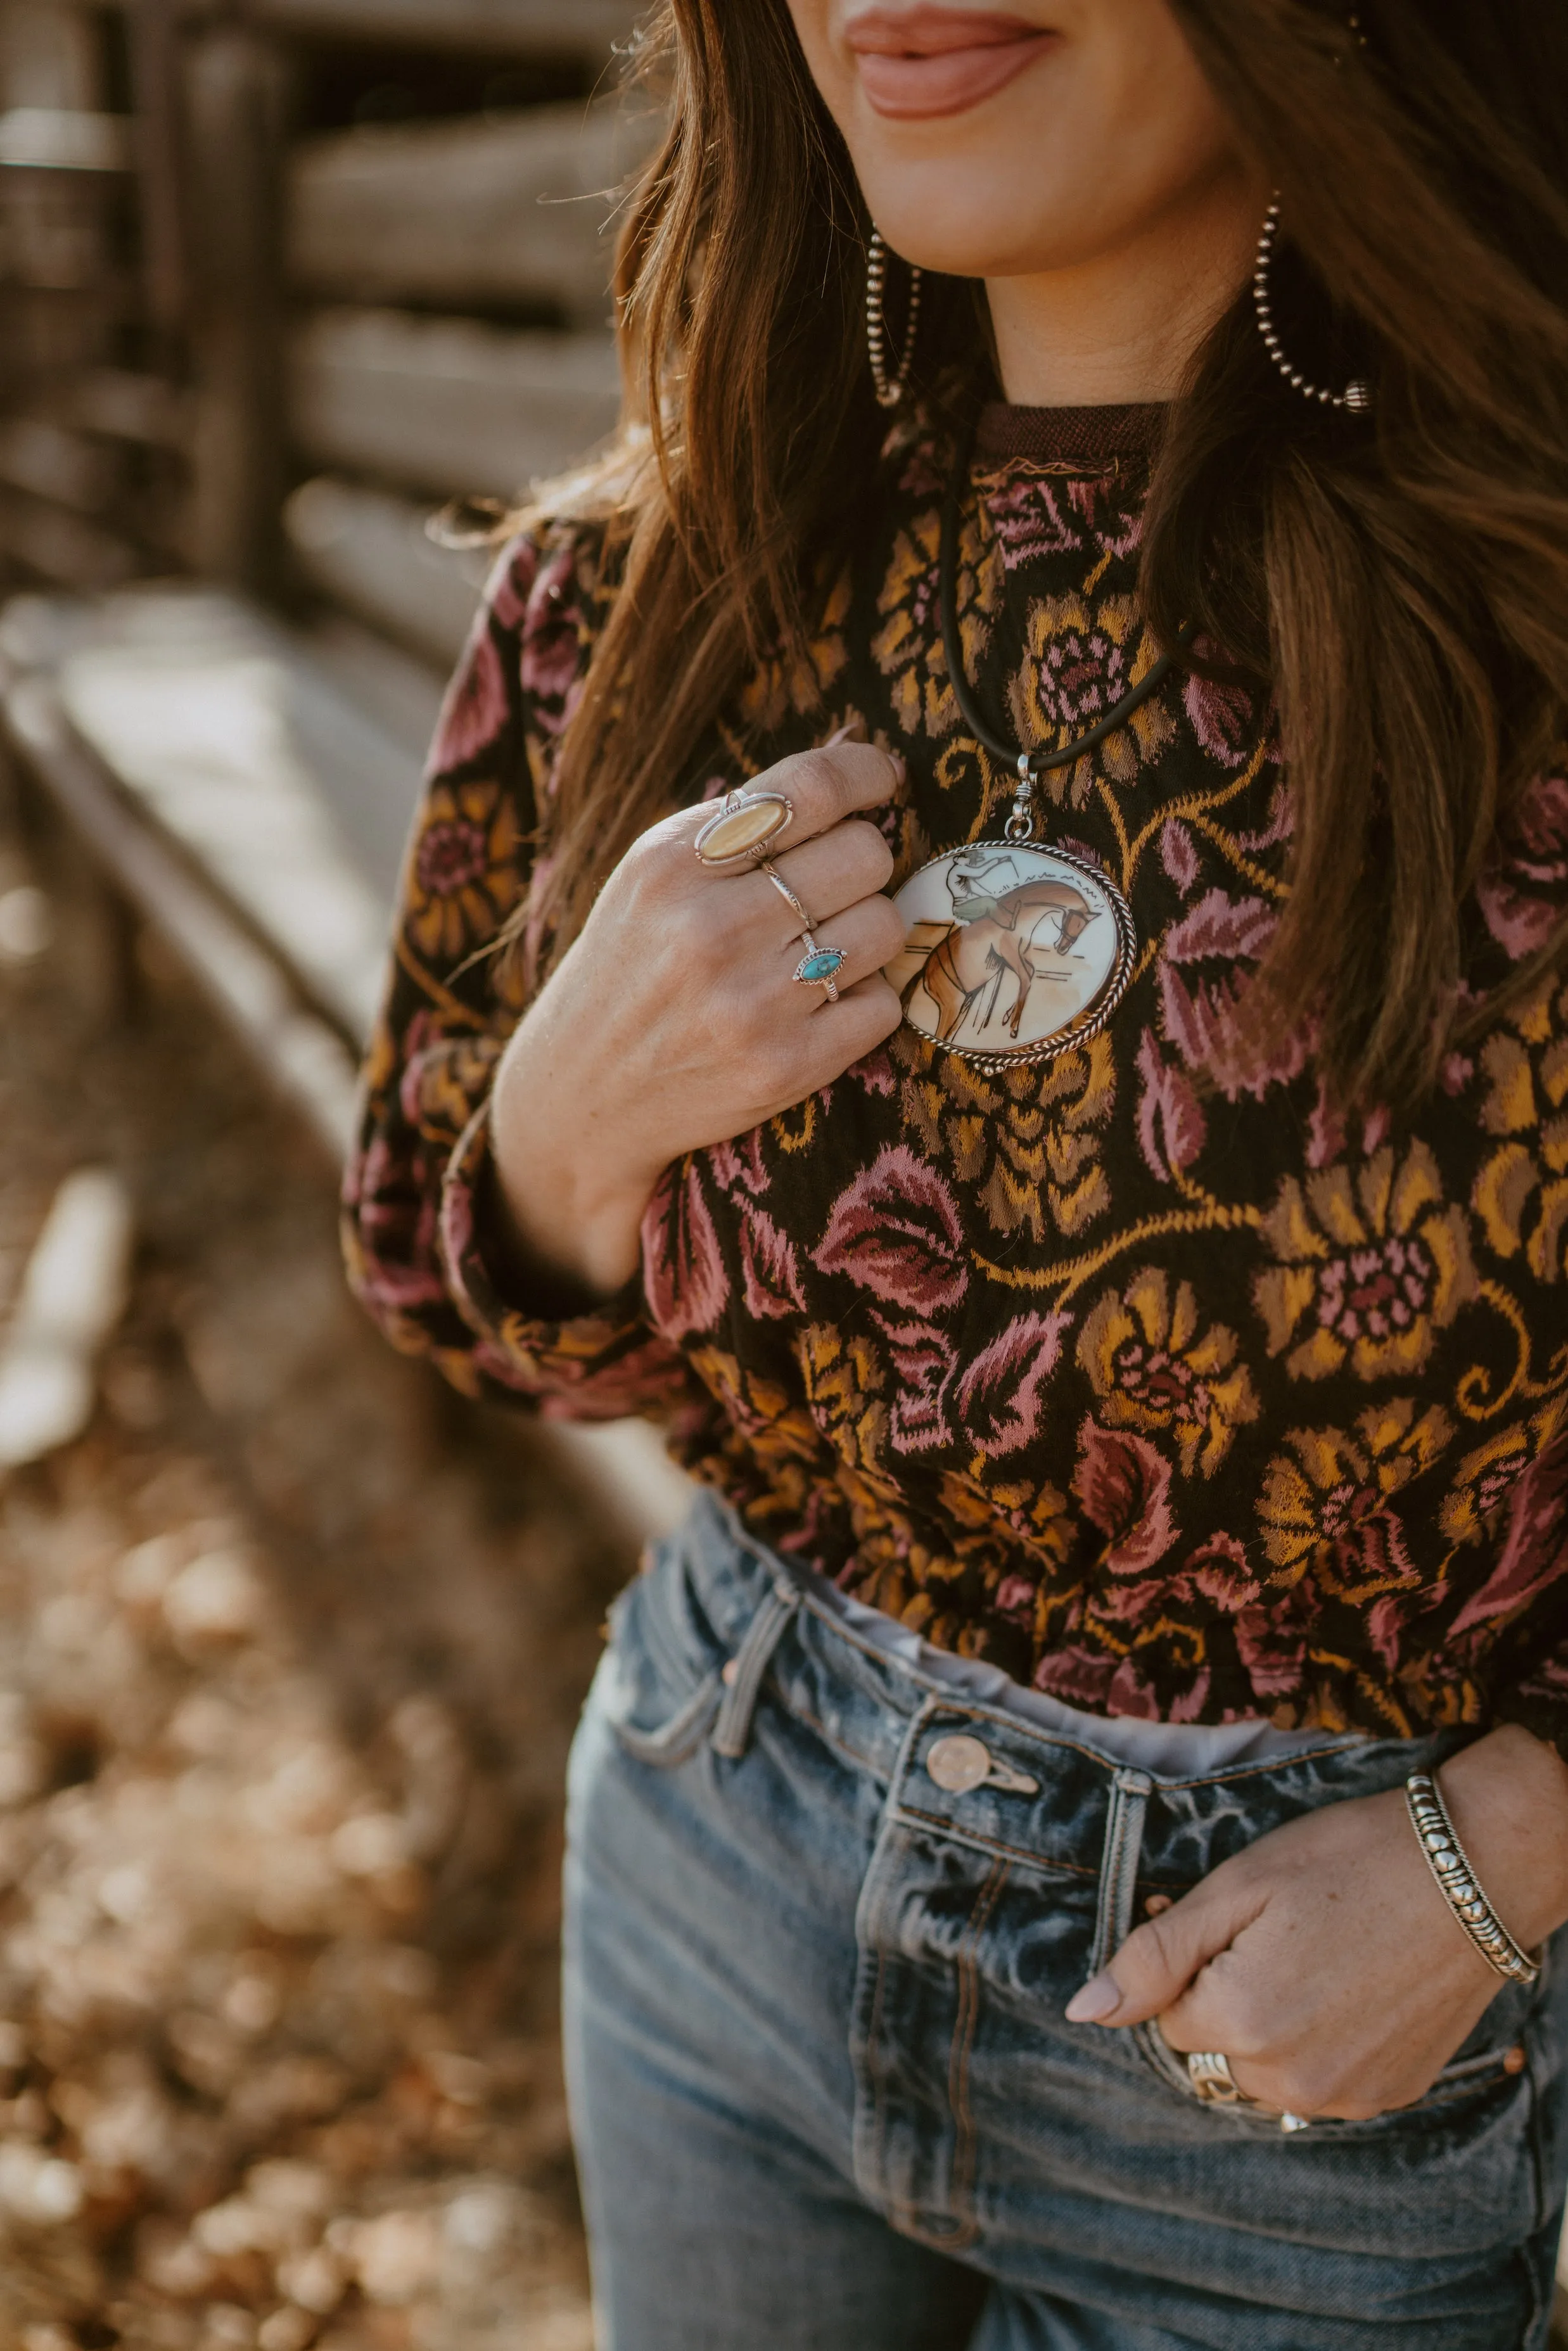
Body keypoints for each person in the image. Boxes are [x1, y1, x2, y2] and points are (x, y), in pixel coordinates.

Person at [342, 1, 1568, 2341]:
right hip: (720, 1860)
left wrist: (1499, 1853)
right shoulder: (665, 577)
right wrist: (563, 1126)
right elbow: (438, 1275)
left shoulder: (1516, 612)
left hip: (1302, 2043)